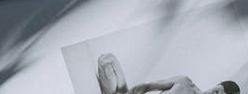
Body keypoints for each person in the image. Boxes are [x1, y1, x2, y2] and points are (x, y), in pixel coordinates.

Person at [96, 53, 240, 94]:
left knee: (107, 63)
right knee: (107, 60)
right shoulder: (185, 82)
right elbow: (147, 86)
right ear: (216, 85)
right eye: (216, 92)